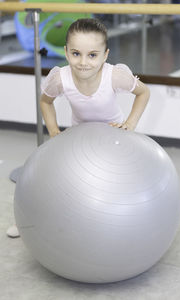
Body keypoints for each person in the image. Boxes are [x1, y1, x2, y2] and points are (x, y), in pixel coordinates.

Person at [7, 17, 150, 238]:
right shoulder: (61, 78)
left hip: (113, 139)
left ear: (105, 55)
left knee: (111, 185)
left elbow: (143, 93)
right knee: (54, 180)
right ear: (66, 52)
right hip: (78, 140)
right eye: (76, 54)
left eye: (92, 55)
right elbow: (45, 101)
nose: (83, 62)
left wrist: (130, 123)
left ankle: (121, 227)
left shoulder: (114, 75)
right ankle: (30, 222)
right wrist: (54, 131)